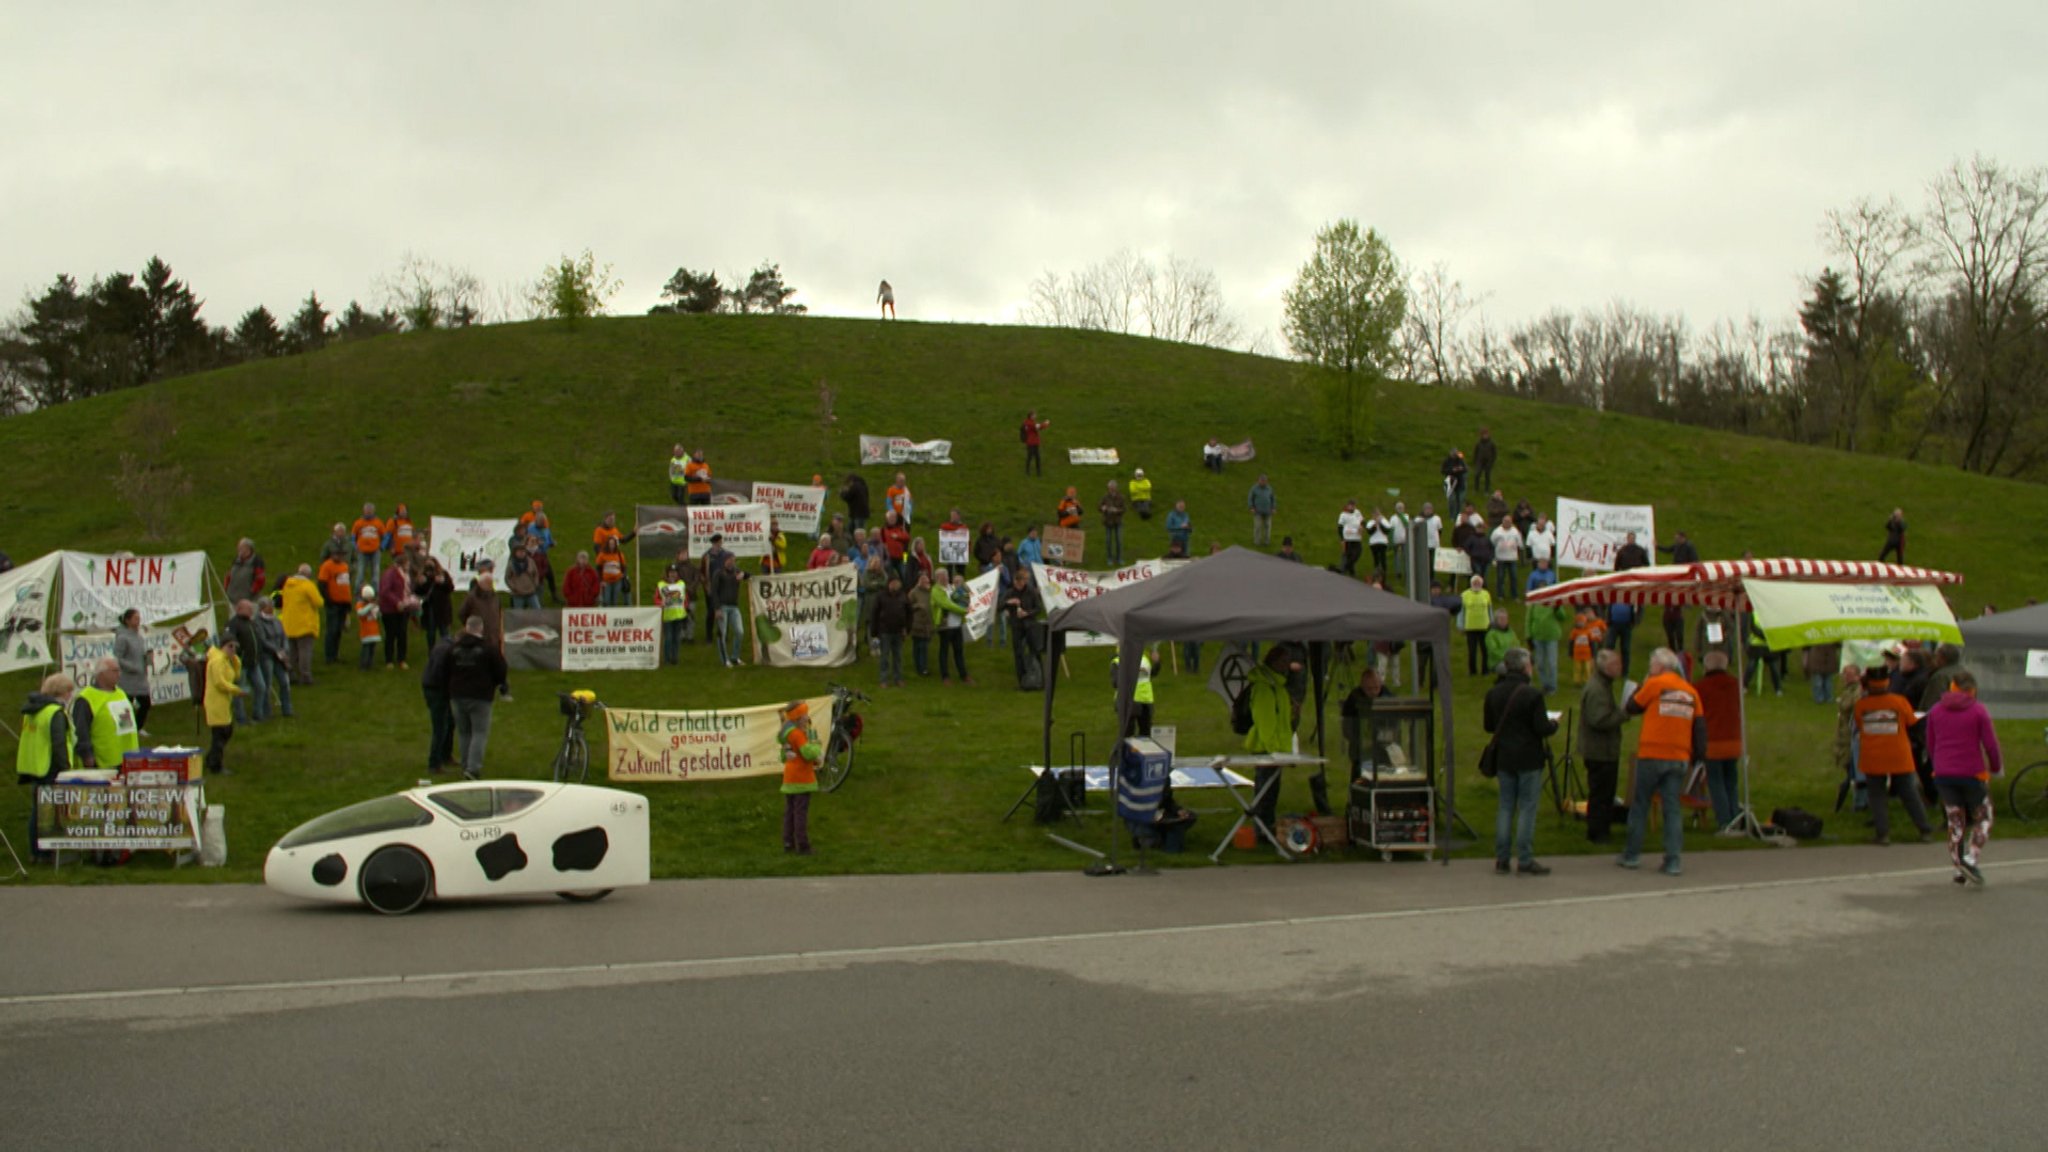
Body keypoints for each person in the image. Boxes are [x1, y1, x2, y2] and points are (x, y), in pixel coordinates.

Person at [1619, 648, 1705, 875]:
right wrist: (1697, 758)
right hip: (1679, 756)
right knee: (1672, 809)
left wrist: (1644, 683)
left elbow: (1631, 706)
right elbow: (1699, 728)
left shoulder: (1655, 684)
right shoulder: (1691, 692)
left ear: (1659, 666)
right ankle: (1673, 860)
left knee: (1640, 805)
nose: (1649, 669)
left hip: (1652, 753)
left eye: (1651, 665)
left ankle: (1632, 855)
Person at [1483, 648, 1556, 875]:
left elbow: (1489, 726)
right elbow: (1542, 728)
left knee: (1505, 806)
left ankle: (1502, 859)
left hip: (1505, 757)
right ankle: (1524, 859)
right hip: (1529, 758)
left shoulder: (1493, 693)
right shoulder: (1532, 695)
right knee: (1526, 807)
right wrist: (1554, 724)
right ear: (1526, 667)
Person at [1926, 671, 2001, 885]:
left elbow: (1931, 743)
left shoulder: (1936, 710)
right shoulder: (1978, 710)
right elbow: (1990, 744)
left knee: (1956, 821)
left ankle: (1958, 868)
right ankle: (1971, 857)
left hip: (1943, 773)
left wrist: (1938, 764)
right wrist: (1995, 767)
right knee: (1984, 816)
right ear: (1972, 690)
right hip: (1971, 773)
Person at [1854, 665, 1933, 845]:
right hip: (1899, 754)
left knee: (1877, 796)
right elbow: (1911, 721)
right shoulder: (1899, 701)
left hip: (1873, 757)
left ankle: (1883, 834)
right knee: (1909, 793)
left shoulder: (1861, 705)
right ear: (1887, 683)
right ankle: (1924, 829)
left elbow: (1859, 724)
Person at [17, 672, 81, 854]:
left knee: (37, 811)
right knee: (47, 812)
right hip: (50, 766)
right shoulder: (55, 712)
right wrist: (65, 768)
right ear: (62, 692)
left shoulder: (33, 711)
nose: (71, 696)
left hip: (35, 764)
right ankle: (45, 851)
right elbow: (58, 742)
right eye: (69, 692)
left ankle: (35, 851)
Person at [436, 617, 507, 781]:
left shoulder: (453, 649)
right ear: (480, 629)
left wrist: (449, 689)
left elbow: (444, 670)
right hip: (480, 696)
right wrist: (496, 684)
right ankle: (473, 769)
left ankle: (465, 764)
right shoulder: (488, 649)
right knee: (479, 733)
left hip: (457, 695)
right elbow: (501, 670)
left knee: (464, 732)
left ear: (466, 628)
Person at [1243, 645, 1299, 833]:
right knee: (1264, 794)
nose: (1286, 665)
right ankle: (1261, 831)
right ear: (1273, 662)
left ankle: (1267, 829)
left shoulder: (1278, 686)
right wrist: (1275, 752)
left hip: (1276, 750)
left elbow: (1282, 720)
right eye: (1283, 661)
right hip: (1266, 751)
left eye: (1287, 661)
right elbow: (1265, 723)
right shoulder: (1264, 688)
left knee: (1271, 794)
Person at [1579, 648, 1631, 843]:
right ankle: (1597, 832)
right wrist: (1623, 714)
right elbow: (1598, 720)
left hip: (1603, 749)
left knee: (1604, 792)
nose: (1620, 667)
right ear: (1606, 667)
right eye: (1616, 664)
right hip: (1599, 750)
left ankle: (1600, 828)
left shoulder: (1602, 685)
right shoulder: (1597, 689)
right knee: (1601, 793)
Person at [1693, 651, 1743, 830]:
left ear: (1706, 667)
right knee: (1731, 781)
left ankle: (1724, 822)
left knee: (1716, 783)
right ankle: (1735, 817)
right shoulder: (1735, 684)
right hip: (1734, 741)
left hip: (1712, 742)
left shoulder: (1700, 687)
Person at [75, 656, 140, 769]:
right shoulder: (86, 698)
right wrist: (87, 755)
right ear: (101, 673)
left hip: (128, 757)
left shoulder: (120, 693)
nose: (119, 674)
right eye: (115, 670)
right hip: (104, 761)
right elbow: (81, 730)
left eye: (119, 670)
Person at [778, 699, 822, 855]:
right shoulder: (798, 735)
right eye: (805, 714)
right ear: (799, 717)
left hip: (789, 778)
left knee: (789, 812)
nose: (807, 717)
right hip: (801, 779)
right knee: (800, 813)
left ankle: (788, 843)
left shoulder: (787, 735)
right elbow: (807, 753)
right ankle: (803, 845)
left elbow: (783, 757)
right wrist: (817, 745)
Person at [203, 636, 247, 776]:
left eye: (235, 647)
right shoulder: (217, 661)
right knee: (220, 734)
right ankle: (215, 765)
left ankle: (210, 759)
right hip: (215, 702)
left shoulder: (227, 660)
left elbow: (236, 676)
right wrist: (237, 690)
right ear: (222, 646)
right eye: (230, 646)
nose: (233, 649)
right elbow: (219, 682)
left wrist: (236, 660)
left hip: (223, 702)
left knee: (226, 731)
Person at [419, 631, 457, 774]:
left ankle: (446, 755)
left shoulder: (444, 647)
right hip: (436, 690)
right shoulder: (446, 652)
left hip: (436, 688)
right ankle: (434, 763)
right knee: (440, 726)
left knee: (450, 722)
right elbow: (439, 673)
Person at [1001, 566, 1044, 689]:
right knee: (1018, 654)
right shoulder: (1010, 592)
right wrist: (1008, 603)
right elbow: (999, 606)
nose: (1018, 586)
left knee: (1035, 652)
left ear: (1024, 581)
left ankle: (1039, 681)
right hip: (1017, 627)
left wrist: (1027, 613)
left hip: (1030, 626)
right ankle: (1023, 682)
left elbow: (1038, 608)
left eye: (1020, 583)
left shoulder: (1031, 591)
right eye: (1016, 583)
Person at [113, 608, 153, 732]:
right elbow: (118, 658)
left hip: (140, 678)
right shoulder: (122, 638)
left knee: (146, 703)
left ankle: (137, 727)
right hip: (127, 678)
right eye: (135, 618)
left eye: (139, 618)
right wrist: (132, 667)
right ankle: (124, 728)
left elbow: (140, 655)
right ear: (127, 621)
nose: (138, 621)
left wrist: (147, 658)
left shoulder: (139, 638)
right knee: (125, 705)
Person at [1835, 662, 1868, 811]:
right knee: (1850, 767)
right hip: (1844, 734)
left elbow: (1854, 706)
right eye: (1844, 674)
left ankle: (1860, 802)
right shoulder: (1848, 689)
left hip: (1853, 735)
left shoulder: (1857, 690)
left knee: (1856, 769)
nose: (1845, 677)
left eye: (1849, 674)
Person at [254, 599, 294, 719]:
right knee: (267, 684)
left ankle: (287, 710)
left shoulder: (277, 621)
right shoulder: (257, 622)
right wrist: (277, 650)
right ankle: (267, 712)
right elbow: (262, 640)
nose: (271, 608)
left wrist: (284, 649)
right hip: (267, 656)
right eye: (269, 606)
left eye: (272, 606)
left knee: (285, 682)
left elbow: (284, 636)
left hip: (280, 656)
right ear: (262, 608)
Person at [932, 570, 971, 684]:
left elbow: (962, 596)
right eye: (942, 576)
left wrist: (965, 591)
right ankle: (945, 676)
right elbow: (947, 605)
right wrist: (964, 610)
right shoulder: (936, 590)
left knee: (959, 651)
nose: (945, 578)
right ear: (937, 578)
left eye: (946, 576)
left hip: (957, 624)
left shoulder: (951, 588)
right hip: (945, 626)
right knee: (944, 651)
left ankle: (964, 675)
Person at [1524, 597, 1568, 694]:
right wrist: (1528, 636)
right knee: (1540, 663)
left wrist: (1557, 608)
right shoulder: (1533, 604)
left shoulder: (1554, 602)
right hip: (1537, 637)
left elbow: (1563, 617)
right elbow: (1528, 619)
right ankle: (1545, 685)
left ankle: (1552, 687)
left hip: (1551, 636)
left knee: (1552, 663)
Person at [378, 555, 415, 669]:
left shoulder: (406, 575)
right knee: (391, 634)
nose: (408, 566)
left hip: (404, 608)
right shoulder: (390, 574)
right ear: (401, 564)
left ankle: (401, 659)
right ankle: (389, 660)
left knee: (402, 634)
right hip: (390, 610)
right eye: (407, 564)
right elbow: (385, 591)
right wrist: (397, 602)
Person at [710, 553, 747, 668]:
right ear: (725, 560)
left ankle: (735, 657)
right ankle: (725, 659)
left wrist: (744, 574)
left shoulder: (736, 571)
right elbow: (714, 592)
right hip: (722, 606)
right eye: (730, 560)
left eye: (733, 560)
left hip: (734, 606)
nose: (732, 562)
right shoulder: (719, 573)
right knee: (723, 633)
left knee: (740, 632)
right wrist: (716, 609)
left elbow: (749, 575)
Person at [873, 574, 910, 687]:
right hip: (885, 631)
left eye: (897, 583)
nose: (895, 585)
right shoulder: (881, 596)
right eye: (893, 582)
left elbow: (909, 613)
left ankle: (898, 678)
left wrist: (907, 628)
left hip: (899, 631)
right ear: (889, 583)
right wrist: (874, 632)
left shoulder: (903, 596)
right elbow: (874, 613)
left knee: (897, 656)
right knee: (885, 656)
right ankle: (883, 679)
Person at [317, 551, 353, 665]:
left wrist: (348, 602)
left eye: (341, 554)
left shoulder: (345, 566)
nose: (340, 557)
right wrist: (329, 600)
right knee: (331, 630)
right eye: (337, 554)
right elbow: (322, 585)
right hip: (333, 604)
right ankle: (329, 656)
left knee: (338, 631)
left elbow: (346, 584)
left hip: (343, 603)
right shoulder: (327, 566)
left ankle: (335, 655)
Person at [657, 564, 690, 664]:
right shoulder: (661, 584)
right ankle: (667, 659)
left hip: (679, 615)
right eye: (671, 573)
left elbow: (685, 597)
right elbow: (656, 598)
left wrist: (685, 607)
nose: (673, 575)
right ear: (667, 574)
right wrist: (660, 603)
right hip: (667, 616)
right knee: (668, 638)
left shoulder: (681, 583)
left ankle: (675, 658)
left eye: (675, 573)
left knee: (676, 639)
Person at [349, 502, 385, 591]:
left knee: (375, 573)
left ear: (373, 511)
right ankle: (357, 591)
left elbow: (384, 536)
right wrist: (355, 547)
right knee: (360, 572)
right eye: (367, 511)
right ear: (363, 511)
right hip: (362, 551)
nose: (368, 512)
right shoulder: (358, 523)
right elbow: (353, 536)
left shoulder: (378, 522)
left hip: (375, 551)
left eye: (370, 511)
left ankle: (375, 592)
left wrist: (382, 546)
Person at [1460, 575, 1492, 675]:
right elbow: (1461, 612)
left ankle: (1485, 670)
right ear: (1471, 583)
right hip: (1470, 627)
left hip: (1485, 626)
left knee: (1485, 650)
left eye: (1478, 583)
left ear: (1481, 584)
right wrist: (1461, 625)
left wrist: (1492, 623)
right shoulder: (1464, 595)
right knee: (1472, 651)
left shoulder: (1486, 594)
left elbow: (1490, 610)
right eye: (1475, 583)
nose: (1476, 584)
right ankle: (1472, 671)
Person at [223, 537, 266, 605]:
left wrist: (251, 592)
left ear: (248, 548)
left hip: (249, 601)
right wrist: (225, 589)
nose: (238, 549)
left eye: (241, 547)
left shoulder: (256, 561)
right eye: (238, 547)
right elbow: (229, 576)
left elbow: (260, 579)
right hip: (232, 600)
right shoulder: (236, 561)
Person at [908, 571, 935, 678]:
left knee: (924, 646)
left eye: (927, 580)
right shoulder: (913, 592)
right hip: (917, 623)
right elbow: (908, 606)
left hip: (927, 623)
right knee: (918, 646)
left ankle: (922, 667)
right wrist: (917, 606)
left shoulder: (931, 592)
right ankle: (921, 668)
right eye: (924, 580)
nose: (926, 582)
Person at [506, 537, 543, 610]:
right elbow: (507, 578)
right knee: (518, 613)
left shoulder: (530, 561)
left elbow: (535, 574)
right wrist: (514, 587)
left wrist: (535, 584)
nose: (521, 553)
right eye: (519, 551)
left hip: (531, 591)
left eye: (523, 551)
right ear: (515, 553)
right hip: (518, 593)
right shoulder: (511, 564)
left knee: (538, 610)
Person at [1489, 517, 1521, 600]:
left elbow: (1519, 543)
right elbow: (1492, 542)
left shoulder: (1515, 531)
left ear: (1511, 522)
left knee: (1513, 577)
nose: (1507, 523)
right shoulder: (1497, 531)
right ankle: (1500, 595)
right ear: (1502, 521)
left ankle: (1514, 595)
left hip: (1512, 558)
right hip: (1500, 558)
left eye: (1509, 521)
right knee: (1500, 577)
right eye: (1505, 521)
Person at [354, 584, 383, 671]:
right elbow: (361, 613)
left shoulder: (373, 605)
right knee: (366, 650)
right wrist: (370, 606)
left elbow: (378, 616)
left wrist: (377, 609)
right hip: (366, 632)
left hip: (374, 631)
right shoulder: (360, 605)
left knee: (372, 650)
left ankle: (370, 664)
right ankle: (363, 665)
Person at [1099, 480, 1126, 567]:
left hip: (1117, 521)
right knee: (1108, 541)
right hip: (1108, 521)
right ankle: (1109, 558)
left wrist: (1117, 510)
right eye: (1110, 488)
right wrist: (1102, 508)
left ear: (1116, 488)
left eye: (1113, 488)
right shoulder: (1105, 497)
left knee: (1119, 541)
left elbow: (1124, 509)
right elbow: (1099, 506)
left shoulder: (1121, 497)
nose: (1111, 490)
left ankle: (1119, 558)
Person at [1607, 602, 1637, 676]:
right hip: (1613, 624)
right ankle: (1607, 669)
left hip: (1626, 625)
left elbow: (1635, 609)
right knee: (1610, 646)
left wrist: (1633, 622)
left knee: (1625, 649)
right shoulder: (1614, 596)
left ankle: (1625, 672)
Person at [1336, 500, 1364, 576]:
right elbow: (1340, 527)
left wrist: (1361, 526)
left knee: (1357, 554)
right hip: (1348, 538)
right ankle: (1350, 572)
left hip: (1357, 538)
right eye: (1351, 505)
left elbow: (1362, 521)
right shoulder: (1343, 514)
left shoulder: (1357, 512)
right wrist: (1342, 539)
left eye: (1354, 505)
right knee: (1348, 555)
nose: (1352, 507)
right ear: (1347, 506)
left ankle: (1344, 568)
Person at [1247, 474, 1276, 546]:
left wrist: (1273, 508)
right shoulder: (1254, 489)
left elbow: (1273, 498)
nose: (1263, 482)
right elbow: (1250, 498)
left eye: (1264, 481)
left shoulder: (1269, 489)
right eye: (1261, 480)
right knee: (1258, 527)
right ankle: (1257, 541)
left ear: (1267, 481)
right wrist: (1251, 507)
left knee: (1267, 526)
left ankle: (1267, 541)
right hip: (1258, 511)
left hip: (1268, 511)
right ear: (1258, 481)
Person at [1020, 410, 1050, 476]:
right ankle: (1037, 472)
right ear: (1031, 416)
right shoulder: (1030, 423)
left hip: (1030, 442)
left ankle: (1029, 471)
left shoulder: (1026, 422)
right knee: (1035, 457)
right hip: (1033, 442)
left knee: (1031, 457)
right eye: (1034, 415)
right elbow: (1039, 427)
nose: (1035, 416)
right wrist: (1046, 423)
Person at [1472, 427, 1497, 493]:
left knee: (1487, 476)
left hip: (1488, 462)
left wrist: (1491, 462)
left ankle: (1486, 490)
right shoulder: (1478, 443)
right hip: (1479, 462)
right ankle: (1476, 489)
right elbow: (1475, 453)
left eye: (1486, 434)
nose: (1485, 436)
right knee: (1477, 475)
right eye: (1483, 435)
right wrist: (1475, 461)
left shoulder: (1492, 443)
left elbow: (1494, 454)